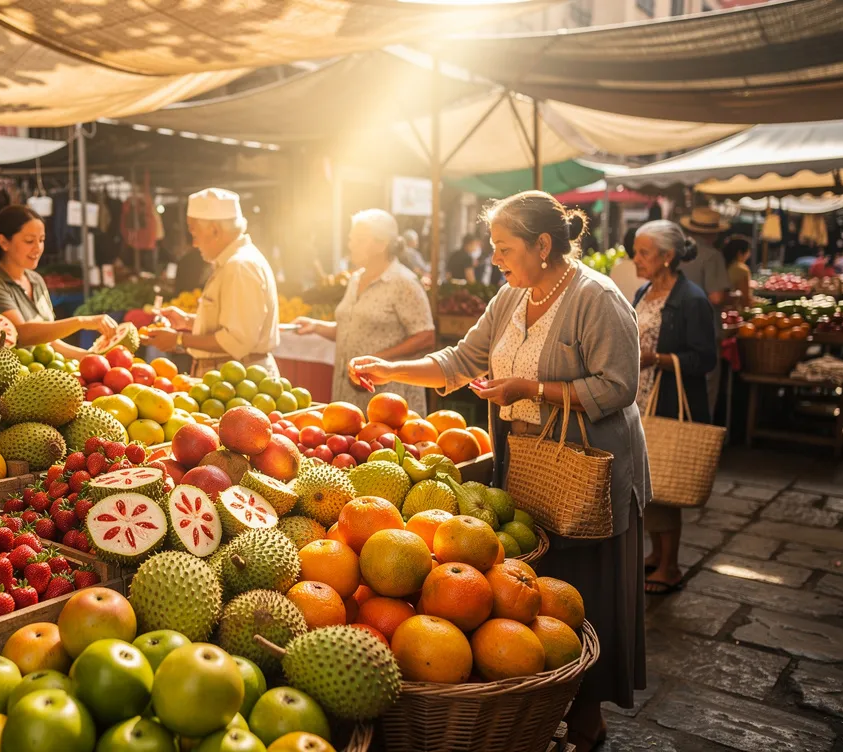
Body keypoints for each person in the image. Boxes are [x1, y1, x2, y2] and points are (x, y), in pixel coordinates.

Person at [348, 191, 647, 750]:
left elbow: (618, 386)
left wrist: (530, 388)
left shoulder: (596, 297)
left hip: (588, 473)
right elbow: (461, 360)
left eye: (504, 248)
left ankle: (588, 718)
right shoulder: (512, 295)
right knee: (535, 597)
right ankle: (543, 708)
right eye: (492, 248)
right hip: (529, 470)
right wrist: (391, 368)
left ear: (543, 243)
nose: (494, 259)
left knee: (585, 597)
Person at [631, 220, 717, 596]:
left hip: (666, 400)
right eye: (635, 251)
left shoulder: (693, 299)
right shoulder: (642, 291)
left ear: (668, 257)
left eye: (644, 253)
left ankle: (671, 565)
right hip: (640, 400)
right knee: (646, 485)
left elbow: (704, 358)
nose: (636, 259)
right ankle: (655, 554)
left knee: (665, 483)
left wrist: (658, 359)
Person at [291, 209, 435, 411]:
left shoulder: (404, 282)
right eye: (351, 239)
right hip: (349, 392)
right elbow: (349, 328)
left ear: (381, 244)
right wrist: (316, 326)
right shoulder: (356, 278)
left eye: (359, 240)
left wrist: (379, 361)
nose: (350, 245)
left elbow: (425, 337)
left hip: (389, 397)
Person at [145, 188, 281, 377]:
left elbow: (237, 340)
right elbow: (231, 324)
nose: (194, 243)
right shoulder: (232, 263)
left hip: (238, 381)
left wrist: (179, 340)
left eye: (194, 234)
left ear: (214, 231)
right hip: (228, 378)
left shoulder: (239, 266)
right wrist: (188, 321)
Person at [0, 205, 117, 360]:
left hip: (42, 375)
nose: (38, 248)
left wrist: (90, 357)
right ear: (4, 242)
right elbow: (22, 335)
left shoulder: (36, 280)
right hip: (10, 378)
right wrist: (82, 321)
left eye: (42, 240)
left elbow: (48, 341)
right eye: (29, 241)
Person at [677, 207, 731, 417]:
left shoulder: (677, 252)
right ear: (714, 233)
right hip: (703, 332)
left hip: (676, 328)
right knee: (704, 392)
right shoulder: (712, 256)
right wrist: (731, 297)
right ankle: (700, 442)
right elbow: (716, 297)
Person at [723, 236, 753, 309]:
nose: (749, 255)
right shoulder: (741, 269)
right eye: (748, 252)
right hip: (734, 313)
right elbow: (746, 300)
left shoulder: (721, 265)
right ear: (740, 253)